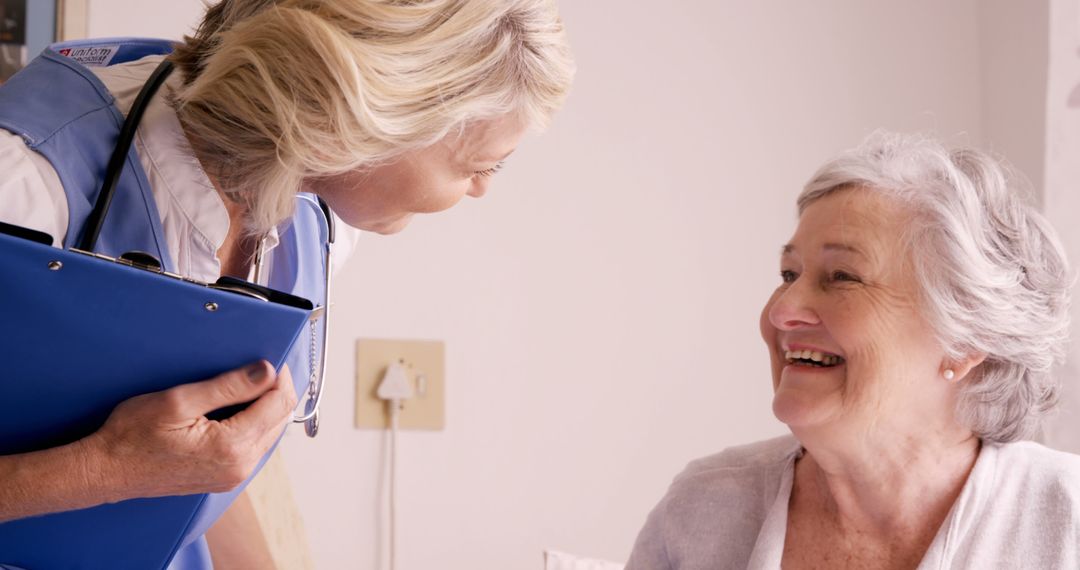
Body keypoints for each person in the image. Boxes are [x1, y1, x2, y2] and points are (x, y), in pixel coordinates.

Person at [0, 0, 573, 567]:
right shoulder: (24, 182)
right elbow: (147, 462)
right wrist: (104, 467)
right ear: (356, 122)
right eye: (481, 166)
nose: (480, 190)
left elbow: (203, 459)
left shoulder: (317, 214)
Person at [625, 132, 1080, 569]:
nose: (782, 311)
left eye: (842, 276)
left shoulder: (1066, 523)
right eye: (788, 275)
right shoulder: (702, 511)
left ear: (964, 344)